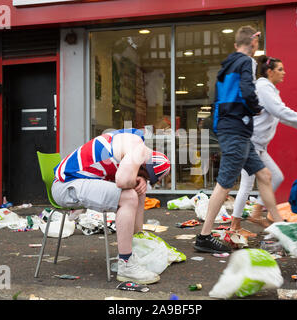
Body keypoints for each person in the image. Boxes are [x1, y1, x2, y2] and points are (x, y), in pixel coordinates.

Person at [194, 26, 284, 254]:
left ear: (236, 45)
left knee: (264, 175)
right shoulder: (247, 62)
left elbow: (216, 99)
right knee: (224, 184)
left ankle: (280, 227)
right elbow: (246, 90)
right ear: (253, 45)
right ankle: (204, 236)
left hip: (233, 129)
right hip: (237, 129)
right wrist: (255, 108)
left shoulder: (225, 68)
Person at [51, 128, 170, 284]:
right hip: (65, 187)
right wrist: (137, 180)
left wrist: (139, 180)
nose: (144, 179)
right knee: (129, 197)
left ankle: (136, 245)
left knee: (135, 192)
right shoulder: (138, 149)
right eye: (146, 176)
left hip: (72, 184)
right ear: (145, 166)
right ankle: (126, 264)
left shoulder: (132, 141)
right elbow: (121, 181)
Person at [230, 56, 297, 234]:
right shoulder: (263, 87)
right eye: (280, 69)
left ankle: (256, 213)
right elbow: (281, 111)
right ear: (269, 71)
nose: (284, 72)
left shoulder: (270, 90)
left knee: (276, 176)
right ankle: (235, 226)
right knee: (247, 183)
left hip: (258, 145)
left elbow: (282, 116)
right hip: (249, 143)